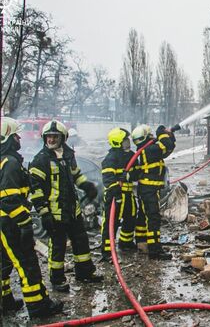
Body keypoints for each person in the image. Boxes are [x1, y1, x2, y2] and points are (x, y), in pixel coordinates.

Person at [29, 120, 103, 292]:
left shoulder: (68, 155)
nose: (51, 140)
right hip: (55, 213)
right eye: (48, 137)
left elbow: (76, 175)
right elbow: (36, 190)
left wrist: (86, 185)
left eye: (55, 136)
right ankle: (57, 279)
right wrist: (44, 213)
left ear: (63, 138)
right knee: (58, 246)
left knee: (81, 241)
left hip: (73, 210)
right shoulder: (40, 160)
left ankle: (85, 273)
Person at [0, 117, 63, 317]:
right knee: (26, 263)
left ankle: (5, 301)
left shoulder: (6, 160)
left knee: (4, 262)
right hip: (10, 221)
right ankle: (39, 307)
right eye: (16, 135)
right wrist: (25, 224)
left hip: (4, 222)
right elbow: (9, 200)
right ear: (8, 138)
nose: (20, 138)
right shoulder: (9, 163)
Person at [131, 124, 175, 260]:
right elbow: (166, 145)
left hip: (147, 189)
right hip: (149, 190)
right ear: (146, 136)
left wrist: (170, 135)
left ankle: (141, 242)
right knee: (153, 218)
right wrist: (162, 132)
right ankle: (155, 250)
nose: (153, 137)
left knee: (143, 216)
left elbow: (169, 148)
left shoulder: (146, 149)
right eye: (151, 135)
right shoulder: (150, 150)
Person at [100, 128, 138, 261]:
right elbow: (108, 179)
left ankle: (125, 243)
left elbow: (136, 173)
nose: (128, 141)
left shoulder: (131, 155)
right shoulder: (110, 158)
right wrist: (116, 194)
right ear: (118, 142)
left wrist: (128, 175)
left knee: (131, 217)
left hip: (128, 193)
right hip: (114, 195)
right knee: (111, 223)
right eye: (125, 139)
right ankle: (107, 252)